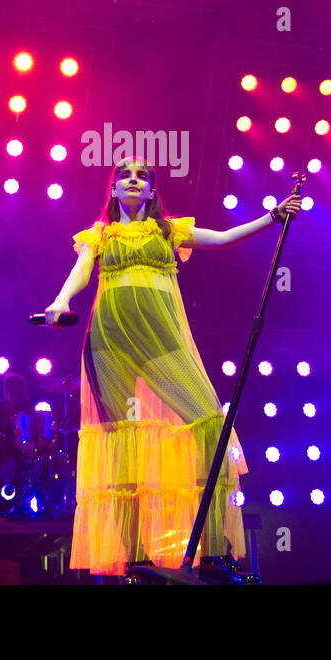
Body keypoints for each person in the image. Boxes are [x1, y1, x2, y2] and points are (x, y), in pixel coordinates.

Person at [44, 157, 301, 580]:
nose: (132, 180)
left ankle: (217, 553)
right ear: (113, 190)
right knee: (121, 447)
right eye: (124, 175)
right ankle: (137, 560)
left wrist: (271, 217)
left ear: (151, 191)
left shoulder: (169, 229)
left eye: (142, 176)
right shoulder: (100, 234)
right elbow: (80, 270)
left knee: (211, 426)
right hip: (110, 343)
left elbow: (221, 238)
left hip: (161, 344)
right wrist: (61, 300)